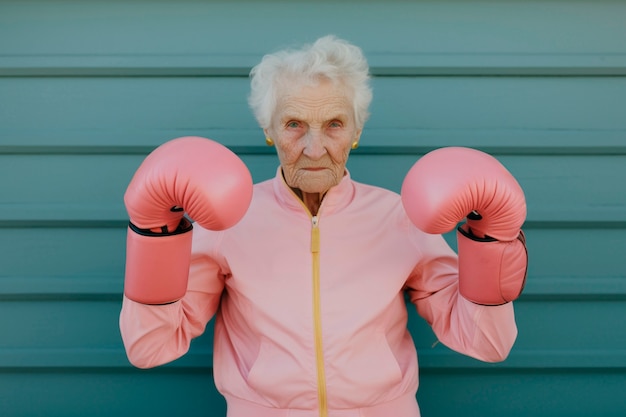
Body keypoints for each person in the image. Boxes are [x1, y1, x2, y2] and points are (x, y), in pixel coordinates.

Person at [119, 35, 528, 417]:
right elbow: (149, 347)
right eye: (294, 124)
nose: (314, 149)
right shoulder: (230, 220)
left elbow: (487, 343)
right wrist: (156, 234)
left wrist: (489, 239)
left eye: (334, 124)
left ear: (356, 131)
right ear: (268, 130)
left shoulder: (398, 217)